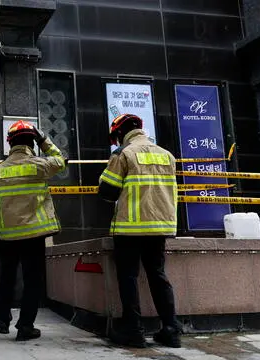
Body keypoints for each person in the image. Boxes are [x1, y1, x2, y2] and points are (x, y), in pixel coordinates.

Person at [98, 114, 181, 348]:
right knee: (157, 275)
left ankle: (133, 330)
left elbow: (108, 192)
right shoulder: (167, 155)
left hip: (130, 228)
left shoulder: (123, 154)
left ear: (120, 133)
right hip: (160, 227)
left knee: (128, 277)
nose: (116, 142)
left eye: (116, 138)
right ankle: (171, 329)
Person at [0, 120, 66, 341]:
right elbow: (61, 159)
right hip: (34, 235)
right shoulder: (41, 165)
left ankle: (2, 320)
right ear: (32, 142)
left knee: (7, 278)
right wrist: (44, 139)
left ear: (9, 143)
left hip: (7, 236)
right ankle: (25, 326)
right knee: (32, 281)